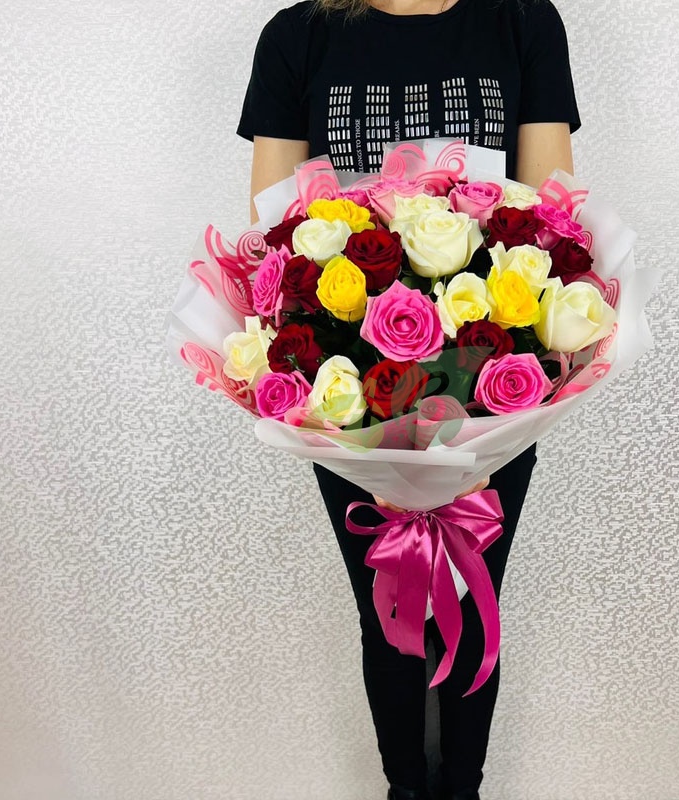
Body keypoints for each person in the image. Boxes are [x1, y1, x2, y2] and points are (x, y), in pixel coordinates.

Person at [236, 0, 581, 797]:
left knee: (476, 602)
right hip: (346, 394)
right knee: (385, 612)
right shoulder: (296, 38)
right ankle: (404, 788)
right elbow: (271, 250)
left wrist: (497, 421)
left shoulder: (523, 23)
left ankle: (462, 788)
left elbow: (553, 228)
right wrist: (350, 429)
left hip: (498, 386)